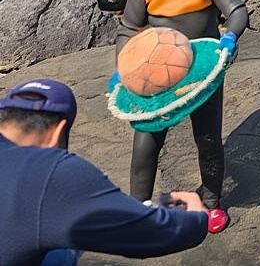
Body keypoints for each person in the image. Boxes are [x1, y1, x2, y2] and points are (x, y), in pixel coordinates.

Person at [112, 0, 247, 235]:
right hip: (158, 73)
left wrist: (229, 37)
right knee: (146, 138)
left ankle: (212, 202)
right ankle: (139, 206)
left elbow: (237, 10)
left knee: (209, 138)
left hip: (203, 70)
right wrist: (121, 69)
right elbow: (128, 29)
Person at [0, 79, 210, 266]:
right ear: (58, 132)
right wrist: (197, 218)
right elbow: (155, 234)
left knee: (59, 243)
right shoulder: (50, 172)